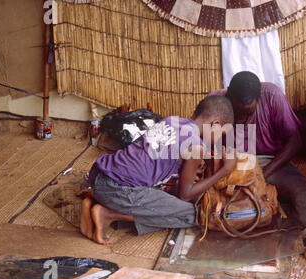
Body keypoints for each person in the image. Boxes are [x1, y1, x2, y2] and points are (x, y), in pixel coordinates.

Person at [210, 71, 306, 260]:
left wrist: (262, 174)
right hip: (228, 164)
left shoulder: (272, 96)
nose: (242, 118)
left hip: (269, 162)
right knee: (214, 201)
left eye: (248, 113)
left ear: (259, 100)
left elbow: (295, 142)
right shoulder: (216, 102)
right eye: (237, 113)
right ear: (228, 98)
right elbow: (206, 147)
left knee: (303, 191)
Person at [80, 95, 238, 245]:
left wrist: (185, 171)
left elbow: (155, 158)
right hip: (117, 189)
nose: (217, 139)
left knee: (164, 198)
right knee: (195, 215)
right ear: (215, 124)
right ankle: (107, 214)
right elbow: (185, 195)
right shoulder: (196, 146)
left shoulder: (172, 120)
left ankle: (97, 202)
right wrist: (224, 171)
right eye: (220, 134)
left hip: (98, 174)